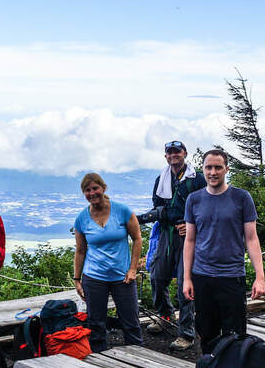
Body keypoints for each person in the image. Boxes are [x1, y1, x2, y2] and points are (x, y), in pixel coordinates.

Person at [182, 149, 265, 353]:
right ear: (202, 170)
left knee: (235, 334)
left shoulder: (241, 197)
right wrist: (187, 278)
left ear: (226, 169)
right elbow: (190, 240)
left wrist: (260, 277)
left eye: (218, 167)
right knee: (207, 332)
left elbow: (252, 238)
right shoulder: (194, 199)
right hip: (202, 276)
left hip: (232, 276)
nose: (213, 172)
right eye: (208, 167)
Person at [145, 140, 206, 351]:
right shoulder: (161, 179)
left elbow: (205, 206)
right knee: (157, 276)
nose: (173, 155)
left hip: (189, 238)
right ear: (165, 156)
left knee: (184, 284)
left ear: (184, 153)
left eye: (176, 152)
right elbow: (158, 207)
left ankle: (186, 333)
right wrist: (171, 219)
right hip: (166, 234)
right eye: (169, 152)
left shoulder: (197, 179)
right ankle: (165, 315)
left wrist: (189, 225)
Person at [73, 173, 143, 353]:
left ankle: (137, 361)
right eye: (87, 190)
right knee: (96, 324)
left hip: (122, 276)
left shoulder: (122, 211)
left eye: (95, 188)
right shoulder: (82, 218)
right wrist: (77, 279)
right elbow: (80, 250)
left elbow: (137, 239)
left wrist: (132, 269)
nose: (92, 193)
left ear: (103, 189)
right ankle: (100, 363)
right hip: (94, 276)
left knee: (130, 322)